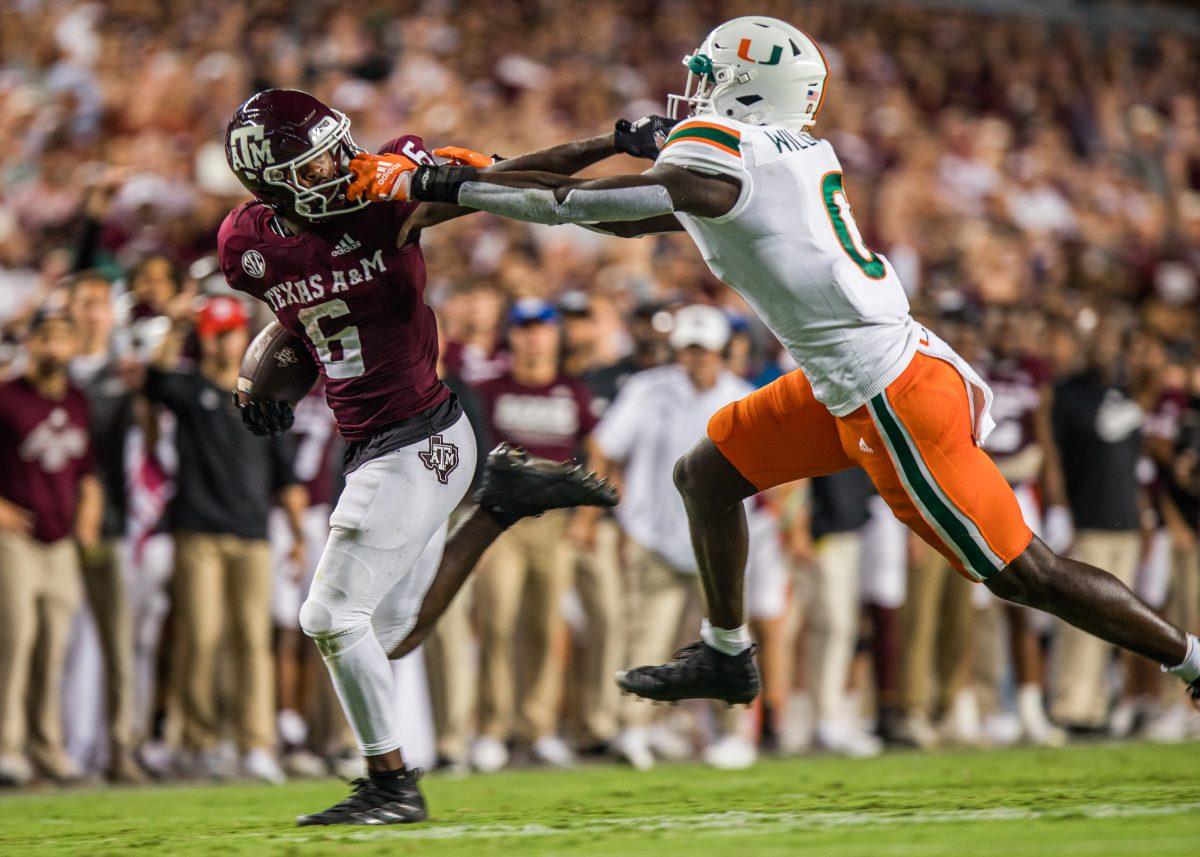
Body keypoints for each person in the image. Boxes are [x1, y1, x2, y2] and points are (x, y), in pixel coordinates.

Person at [344, 17, 1200, 711]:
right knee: (705, 475)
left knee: (1025, 572)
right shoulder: (776, 156)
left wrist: (441, 187)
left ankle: (1191, 662)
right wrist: (505, 168)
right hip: (856, 372)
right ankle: (726, 653)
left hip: (889, 393)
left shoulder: (731, 160)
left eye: (709, 77)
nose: (694, 92)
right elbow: (594, 204)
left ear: (744, 90)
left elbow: (579, 211)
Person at [217, 89, 616, 825]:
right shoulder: (248, 245)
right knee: (388, 634)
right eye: (317, 162)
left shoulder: (383, 194)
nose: (340, 165)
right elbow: (302, 316)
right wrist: (263, 371)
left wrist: (612, 140)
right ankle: (498, 505)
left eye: (338, 146)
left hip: (422, 436)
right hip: (374, 444)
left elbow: (515, 177)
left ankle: (391, 783)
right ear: (272, 183)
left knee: (331, 616)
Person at [583, 304, 756, 770]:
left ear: (724, 352)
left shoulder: (744, 397)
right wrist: (608, 512)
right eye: (688, 349)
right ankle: (635, 731)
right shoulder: (647, 389)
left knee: (729, 638)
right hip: (654, 537)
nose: (695, 358)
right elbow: (606, 446)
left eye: (704, 350)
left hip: (720, 545)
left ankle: (736, 732)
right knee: (646, 639)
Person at [146, 294, 307, 784]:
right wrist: (173, 324)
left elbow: (286, 477)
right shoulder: (187, 387)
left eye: (229, 332)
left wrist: (297, 535)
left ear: (243, 335)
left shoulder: (262, 399)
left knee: (252, 641)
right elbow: (153, 381)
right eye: (214, 334)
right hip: (198, 532)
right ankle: (200, 742)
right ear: (204, 338)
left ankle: (256, 743)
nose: (222, 342)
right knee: (201, 638)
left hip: (253, 534)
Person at [469, 299, 600, 771]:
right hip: (503, 523)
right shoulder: (489, 389)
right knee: (497, 621)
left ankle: (538, 726)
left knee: (547, 626)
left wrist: (587, 518)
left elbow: (597, 451)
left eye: (540, 327)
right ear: (512, 336)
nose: (532, 337)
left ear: (555, 334)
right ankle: (491, 728)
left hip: (555, 523)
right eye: (523, 328)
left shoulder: (572, 391)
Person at [0, 306, 102, 786]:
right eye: (47, 337)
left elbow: (86, 470)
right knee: (14, 641)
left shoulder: (79, 400)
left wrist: (87, 516)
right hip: (14, 537)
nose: (55, 346)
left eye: (64, 337)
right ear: (31, 343)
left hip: (61, 542)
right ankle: (7, 747)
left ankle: (47, 747)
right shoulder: (5, 396)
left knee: (54, 648)